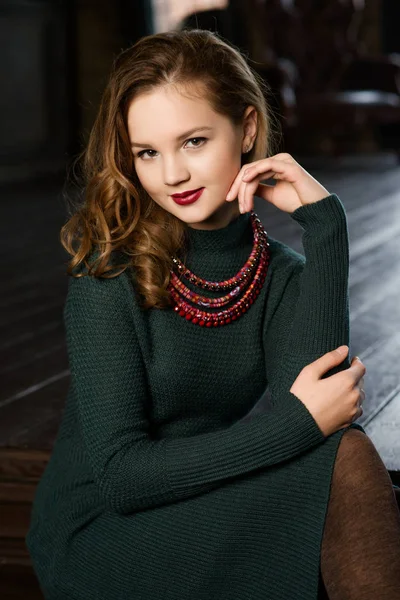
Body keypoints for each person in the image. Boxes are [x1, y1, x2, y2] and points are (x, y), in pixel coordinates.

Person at [26, 28, 400, 600]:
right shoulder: (110, 274)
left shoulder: (279, 275)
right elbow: (123, 475)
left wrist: (327, 227)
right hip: (101, 526)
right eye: (148, 152)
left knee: (341, 461)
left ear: (247, 129)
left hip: (201, 491)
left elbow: (323, 413)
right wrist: (298, 424)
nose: (171, 174)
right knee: (341, 471)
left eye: (194, 141)